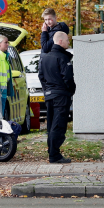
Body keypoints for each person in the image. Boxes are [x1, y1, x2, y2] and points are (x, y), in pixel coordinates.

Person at [38, 31, 75, 164]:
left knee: (51, 125)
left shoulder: (45, 57)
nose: (68, 42)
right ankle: (54, 155)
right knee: (58, 125)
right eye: (67, 40)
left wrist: (47, 90)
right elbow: (68, 77)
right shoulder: (63, 57)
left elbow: (41, 76)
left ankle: (52, 152)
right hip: (61, 95)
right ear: (60, 41)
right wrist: (71, 90)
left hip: (49, 96)